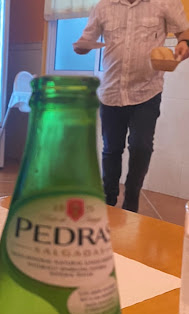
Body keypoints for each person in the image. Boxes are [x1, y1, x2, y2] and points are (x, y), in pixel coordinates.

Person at [74, 0, 189, 212]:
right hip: (111, 91)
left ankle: (131, 198)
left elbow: (184, 32)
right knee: (111, 148)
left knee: (141, 146)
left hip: (147, 90)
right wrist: (81, 46)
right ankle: (108, 198)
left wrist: (184, 44)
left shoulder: (165, 2)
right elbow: (86, 40)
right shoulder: (103, 6)